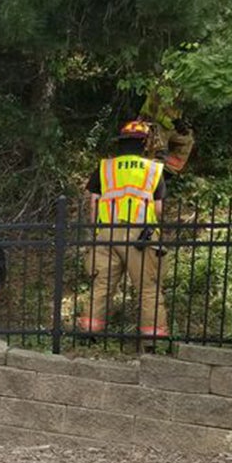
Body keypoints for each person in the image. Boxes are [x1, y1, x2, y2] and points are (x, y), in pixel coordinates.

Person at [77, 120, 170, 347]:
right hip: (140, 236)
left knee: (101, 286)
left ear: (121, 143)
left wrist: (97, 231)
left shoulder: (105, 168)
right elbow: (158, 208)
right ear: (144, 144)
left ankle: (89, 333)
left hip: (106, 233)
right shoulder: (153, 169)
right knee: (148, 288)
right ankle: (153, 340)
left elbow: (94, 204)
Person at [140, 90, 194, 177]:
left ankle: (169, 168)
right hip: (153, 121)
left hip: (169, 126)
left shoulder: (183, 89)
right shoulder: (166, 84)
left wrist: (181, 123)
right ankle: (153, 170)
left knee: (187, 139)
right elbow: (160, 107)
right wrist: (175, 121)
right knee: (159, 144)